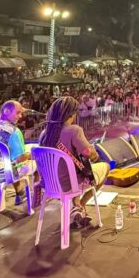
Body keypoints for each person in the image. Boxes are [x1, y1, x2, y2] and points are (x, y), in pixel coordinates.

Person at [39, 96, 110, 228]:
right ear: (71, 114)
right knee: (105, 167)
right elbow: (88, 153)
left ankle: (75, 206)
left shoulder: (44, 134)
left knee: (71, 170)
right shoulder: (73, 130)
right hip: (70, 185)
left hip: (51, 185)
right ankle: (80, 206)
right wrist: (93, 151)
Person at [0, 100, 36, 205]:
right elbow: (19, 159)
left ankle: (19, 192)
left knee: (10, 159)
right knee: (36, 160)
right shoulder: (14, 132)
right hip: (3, 175)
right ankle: (35, 197)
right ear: (6, 111)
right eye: (18, 113)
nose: (20, 116)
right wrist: (31, 154)